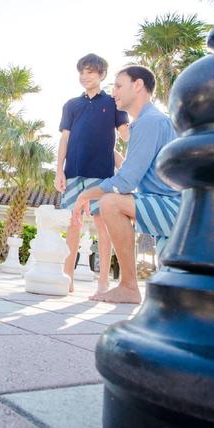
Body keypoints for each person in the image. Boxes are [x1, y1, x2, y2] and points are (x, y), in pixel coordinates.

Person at [71, 65, 181, 304]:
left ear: (138, 85)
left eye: (119, 86)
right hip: (170, 210)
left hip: (178, 210)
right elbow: (134, 172)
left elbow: (126, 181)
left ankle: (129, 287)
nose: (114, 93)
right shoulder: (151, 121)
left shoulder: (150, 122)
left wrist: (85, 195)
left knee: (110, 203)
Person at [56, 54, 129, 294]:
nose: (85, 77)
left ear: (101, 75)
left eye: (90, 72)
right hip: (74, 172)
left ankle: (103, 281)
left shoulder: (114, 103)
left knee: (102, 225)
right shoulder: (71, 105)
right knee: (73, 224)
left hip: (102, 174)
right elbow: (65, 138)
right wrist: (59, 171)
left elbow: (124, 135)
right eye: (82, 72)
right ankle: (68, 278)